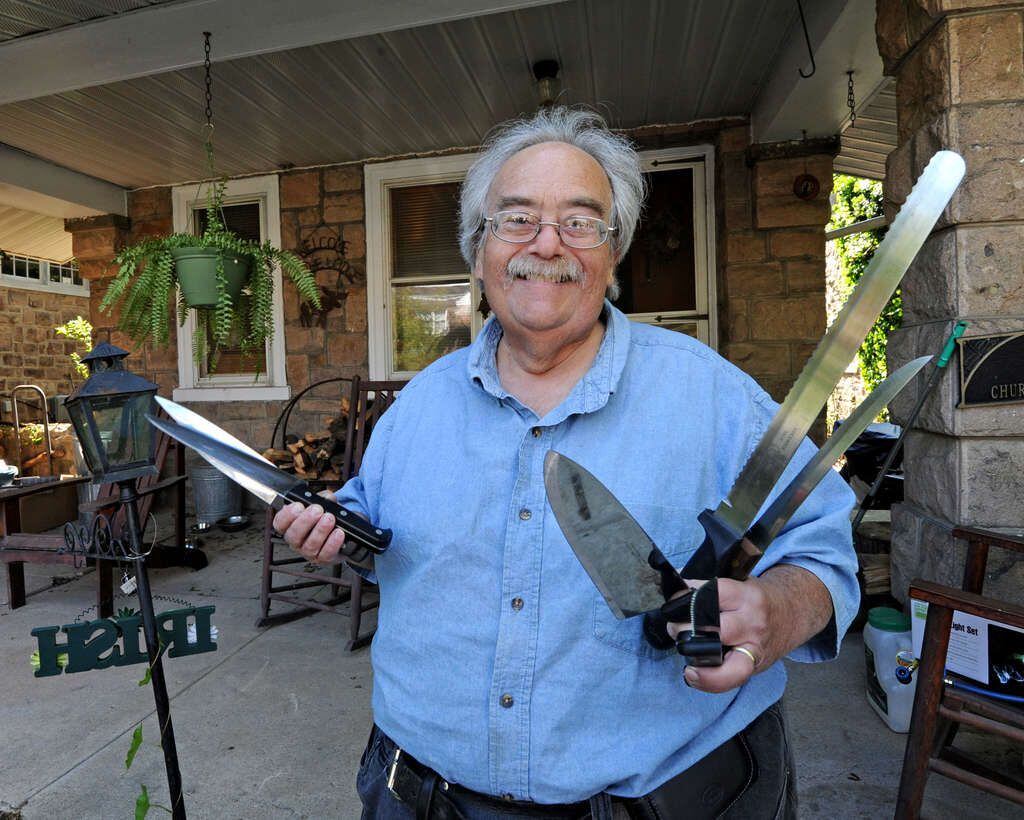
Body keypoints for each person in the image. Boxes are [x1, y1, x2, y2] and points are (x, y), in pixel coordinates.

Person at [274, 107, 857, 819]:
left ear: (613, 255)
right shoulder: (418, 407)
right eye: (516, 218)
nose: (547, 244)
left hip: (662, 800)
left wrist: (775, 613)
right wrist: (342, 528)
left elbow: (822, 551)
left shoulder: (713, 397)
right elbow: (374, 514)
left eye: (581, 222)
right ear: (479, 245)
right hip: (418, 793)